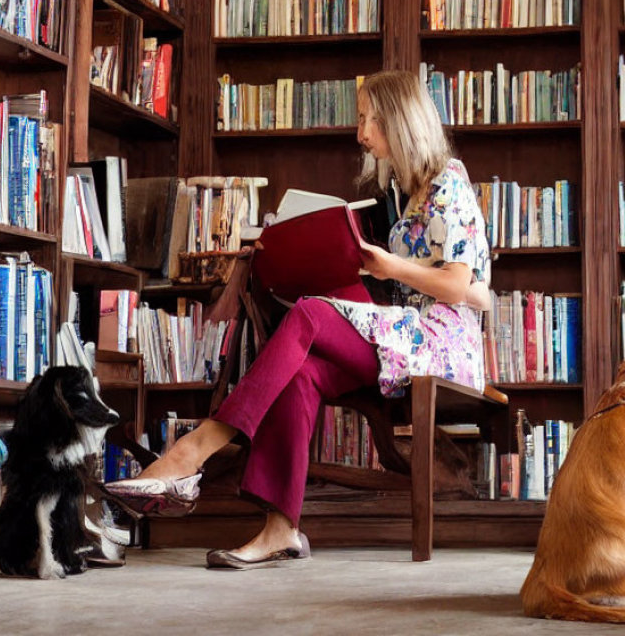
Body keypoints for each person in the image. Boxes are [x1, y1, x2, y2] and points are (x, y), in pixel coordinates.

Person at [106, 70, 491, 569]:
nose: (360, 134)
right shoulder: (407, 195)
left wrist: (385, 263)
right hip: (404, 335)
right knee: (300, 373)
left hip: (443, 344)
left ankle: (192, 451)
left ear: (399, 120)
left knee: (311, 314)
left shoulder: (447, 183)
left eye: (366, 120)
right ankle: (280, 528)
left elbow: (460, 286)